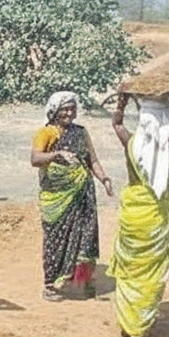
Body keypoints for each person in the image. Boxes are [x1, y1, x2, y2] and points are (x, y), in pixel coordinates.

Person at [109, 88, 169, 337]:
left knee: (130, 270)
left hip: (132, 216)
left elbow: (116, 122)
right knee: (150, 272)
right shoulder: (167, 144)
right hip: (153, 219)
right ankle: (139, 329)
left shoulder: (130, 142)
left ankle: (128, 322)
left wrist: (124, 102)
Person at [31, 91, 114, 302]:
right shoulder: (46, 132)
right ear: (55, 111)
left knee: (85, 237)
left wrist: (104, 179)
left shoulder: (81, 132)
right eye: (65, 109)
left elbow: (92, 160)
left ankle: (85, 281)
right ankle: (51, 285)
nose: (69, 113)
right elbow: (35, 158)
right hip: (57, 198)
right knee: (55, 240)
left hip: (83, 195)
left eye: (72, 109)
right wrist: (57, 154)